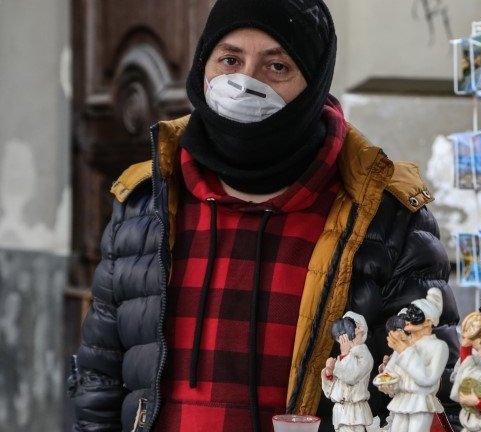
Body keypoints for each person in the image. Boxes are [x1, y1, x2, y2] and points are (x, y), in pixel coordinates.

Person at [66, 1, 460, 431]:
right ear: (203, 65)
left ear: (313, 85)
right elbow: (101, 379)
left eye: (277, 66)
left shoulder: (384, 217)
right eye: (230, 59)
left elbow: (428, 393)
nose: (245, 82)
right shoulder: (146, 202)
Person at [380, 289, 451, 432]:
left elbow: (427, 379)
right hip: (401, 400)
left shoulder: (438, 347)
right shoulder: (405, 344)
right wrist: (386, 382)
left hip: (421, 403)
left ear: (428, 322)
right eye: (408, 314)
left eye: (414, 315)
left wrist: (405, 351)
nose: (407, 319)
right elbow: (391, 371)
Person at [322, 312, 374, 432]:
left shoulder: (364, 355)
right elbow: (330, 390)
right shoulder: (344, 356)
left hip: (355, 413)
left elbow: (351, 377)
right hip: (341, 412)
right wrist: (329, 374)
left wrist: (344, 354)